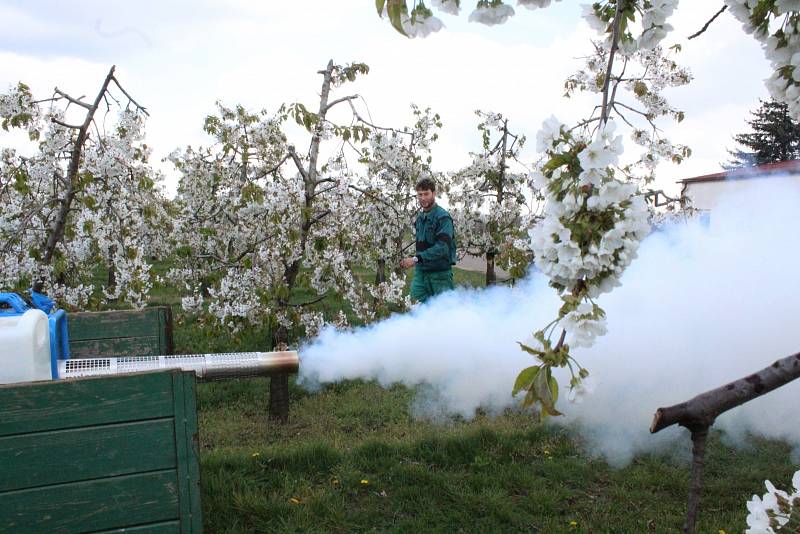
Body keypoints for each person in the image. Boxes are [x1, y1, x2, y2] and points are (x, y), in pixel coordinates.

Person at [399, 178, 456, 302]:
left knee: (444, 313)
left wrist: (415, 259)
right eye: (420, 194)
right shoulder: (420, 219)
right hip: (421, 273)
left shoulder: (443, 218)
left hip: (440, 275)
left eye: (426, 194)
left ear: (434, 194)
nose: (423, 198)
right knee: (415, 307)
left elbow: (443, 247)